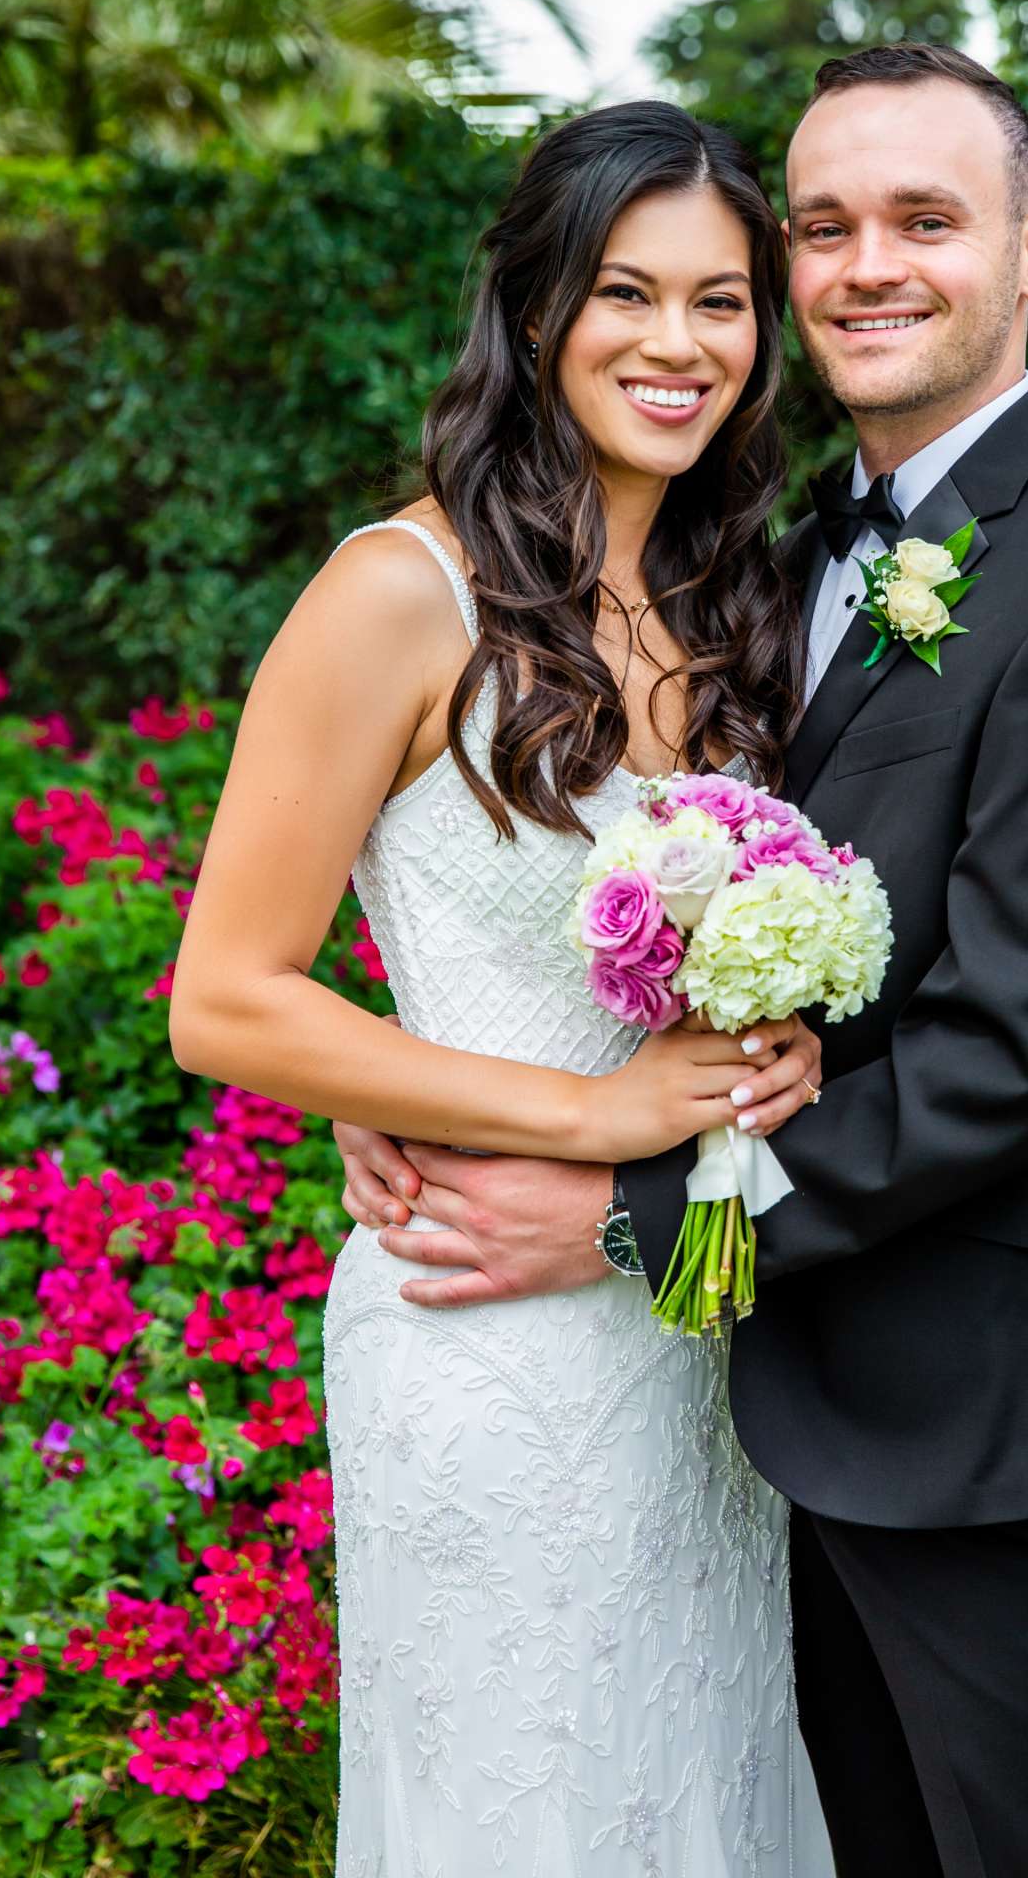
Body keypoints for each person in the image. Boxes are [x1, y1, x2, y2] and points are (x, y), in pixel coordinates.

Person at [338, 43, 1028, 1878]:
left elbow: (1011, 1053)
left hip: (1017, 1425)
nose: (867, 266)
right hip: (782, 1419)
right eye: (822, 227)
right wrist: (430, 1077)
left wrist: (620, 1209)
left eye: (928, 219)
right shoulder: (758, 565)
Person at [168, 102, 836, 1877]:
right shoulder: (399, 593)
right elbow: (228, 997)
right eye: (628, 292)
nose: (679, 345)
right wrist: (586, 1115)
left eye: (724, 301)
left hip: (698, 1333)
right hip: (483, 1329)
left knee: (705, 1780)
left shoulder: (738, 598)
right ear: (537, 309)